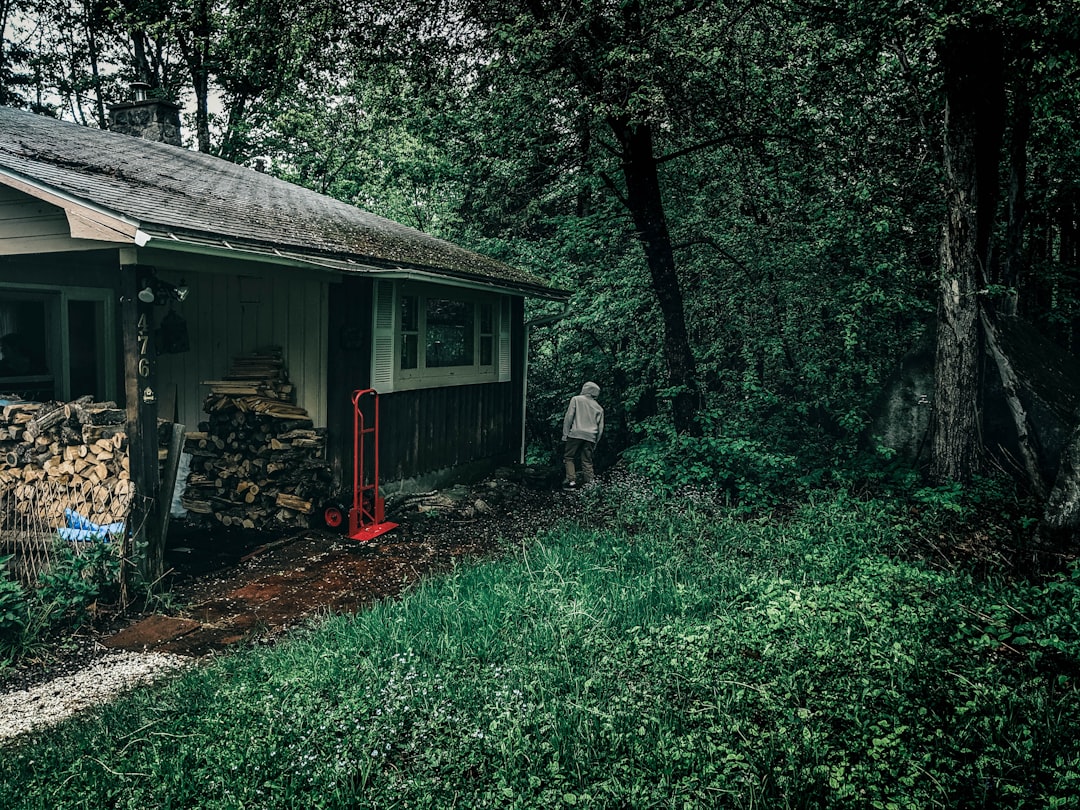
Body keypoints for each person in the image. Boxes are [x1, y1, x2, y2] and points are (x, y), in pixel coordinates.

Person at [562, 381, 604, 488]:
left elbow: (569, 417)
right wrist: (596, 441)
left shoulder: (576, 399)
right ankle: (590, 484)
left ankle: (571, 481)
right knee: (587, 460)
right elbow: (600, 428)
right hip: (591, 436)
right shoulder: (599, 407)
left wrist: (565, 433)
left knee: (569, 456)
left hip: (576, 433)